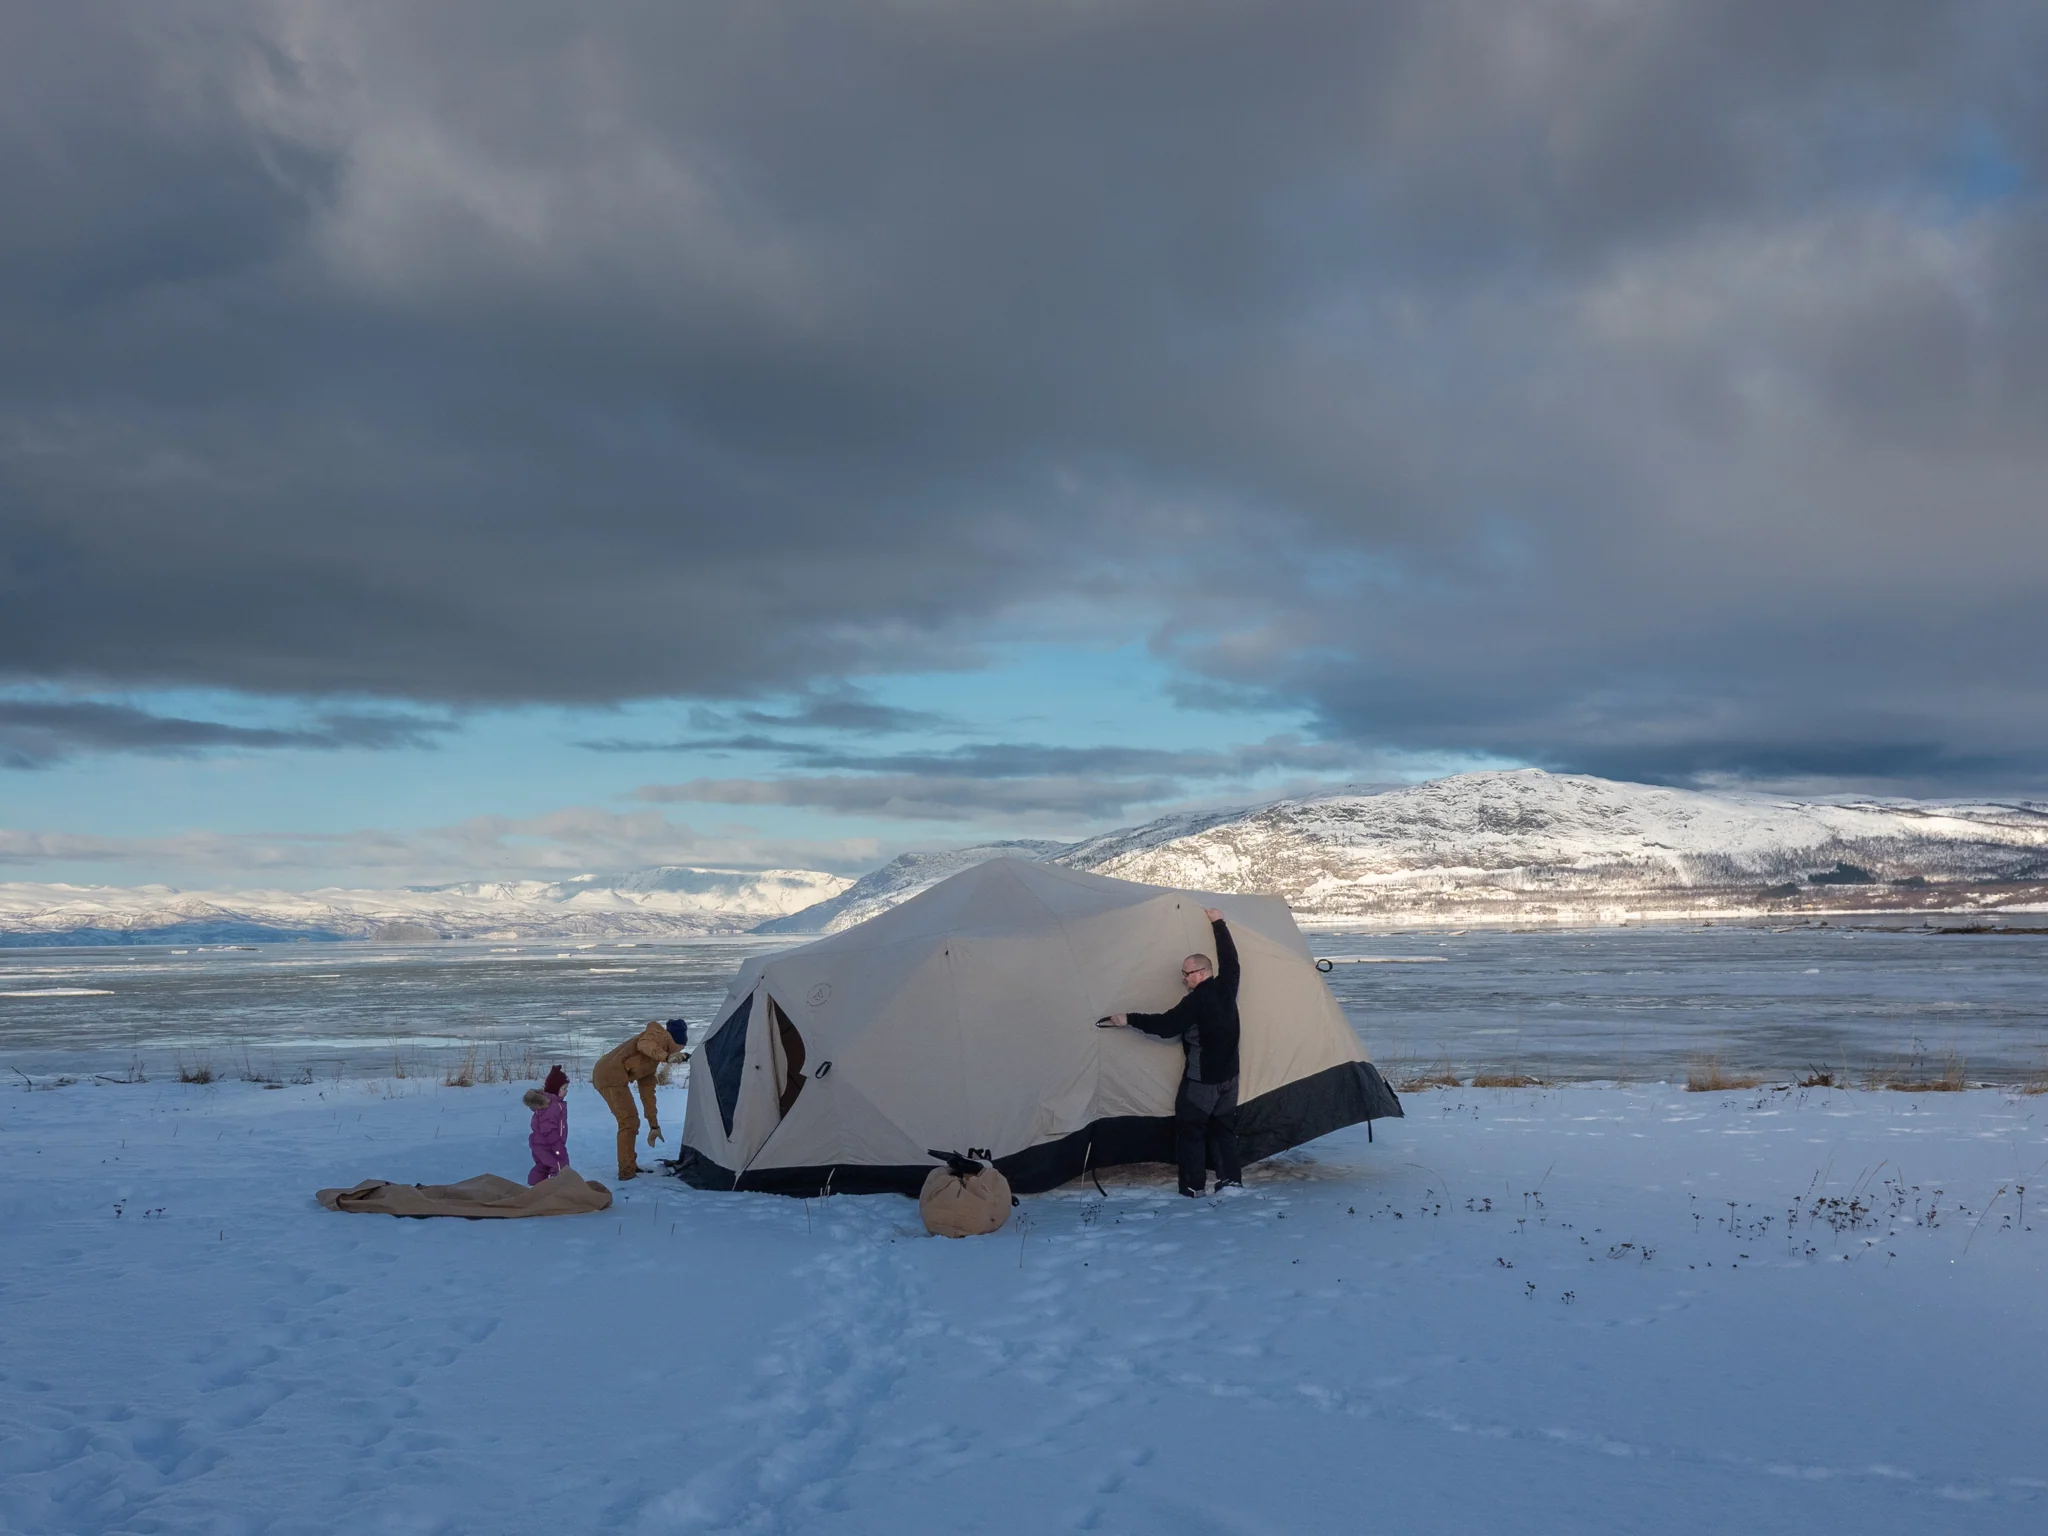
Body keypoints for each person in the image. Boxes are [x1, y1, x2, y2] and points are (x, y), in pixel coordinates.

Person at [1101, 907, 1243, 1197]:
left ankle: (1193, 1187)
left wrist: (1129, 1018)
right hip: (1230, 1076)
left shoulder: (1195, 1002)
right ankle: (1230, 1181)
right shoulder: (1228, 985)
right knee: (1223, 1128)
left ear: (1201, 973)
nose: (1183, 978)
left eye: (1186, 974)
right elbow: (1231, 958)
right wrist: (1218, 923)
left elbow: (1166, 1026)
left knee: (1191, 1130)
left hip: (1203, 1080)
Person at [591, 1021, 684, 1182]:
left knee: (631, 1121)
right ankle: (626, 1171)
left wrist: (654, 1126)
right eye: (680, 1049)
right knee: (628, 1121)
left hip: (614, 1075)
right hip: (609, 1074)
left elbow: (648, 1096)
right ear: (678, 1043)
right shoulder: (657, 1035)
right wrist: (666, 1057)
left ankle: (630, 1165)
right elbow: (644, 1044)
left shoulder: (651, 1064)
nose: (680, 1053)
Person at [523, 1067, 569, 1186]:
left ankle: (534, 1186)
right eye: (564, 1088)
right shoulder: (552, 1106)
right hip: (549, 1144)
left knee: (542, 1166)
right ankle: (556, 1189)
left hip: (539, 1143)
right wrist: (557, 1144)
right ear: (555, 1089)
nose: (566, 1091)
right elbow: (548, 1128)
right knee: (560, 1166)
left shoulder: (550, 1103)